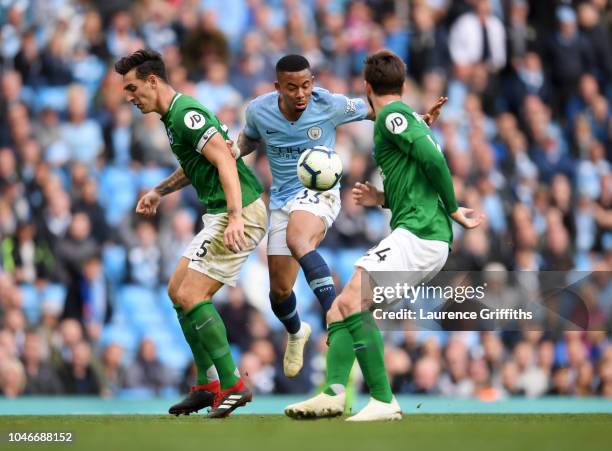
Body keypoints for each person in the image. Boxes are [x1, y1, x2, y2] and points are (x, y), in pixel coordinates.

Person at [285, 49, 484, 421]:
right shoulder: (404, 117)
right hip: (421, 234)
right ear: (404, 86)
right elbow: (415, 176)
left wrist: (454, 208)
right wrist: (381, 198)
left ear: (366, 87)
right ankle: (332, 393)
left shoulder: (392, 116)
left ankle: (381, 399)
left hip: (420, 234)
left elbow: (434, 160)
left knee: (349, 301)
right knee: (343, 306)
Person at [234, 54, 446, 378]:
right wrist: (230, 152)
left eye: (306, 85)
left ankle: (335, 318)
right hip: (281, 200)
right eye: (292, 88)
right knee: (278, 291)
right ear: (278, 87)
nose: (301, 93)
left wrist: (416, 120)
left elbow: (378, 110)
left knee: (298, 239)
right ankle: (296, 331)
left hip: (321, 191)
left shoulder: (329, 104)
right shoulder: (259, 110)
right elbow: (248, 138)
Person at [114, 49, 267, 418]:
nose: (130, 97)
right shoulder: (172, 117)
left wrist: (233, 218)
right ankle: (207, 383)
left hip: (240, 211)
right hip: (223, 212)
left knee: (191, 293)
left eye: (133, 88)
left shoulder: (186, 114)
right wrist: (158, 191)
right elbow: (195, 166)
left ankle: (231, 384)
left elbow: (226, 160)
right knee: (176, 291)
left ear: (153, 80)